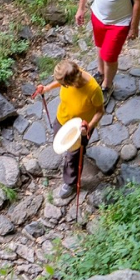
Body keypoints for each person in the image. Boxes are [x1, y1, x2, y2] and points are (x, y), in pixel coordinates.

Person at [33, 58, 105, 201]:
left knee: (73, 157)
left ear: (71, 83)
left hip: (79, 128)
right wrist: (47, 88)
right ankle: (76, 152)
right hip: (62, 119)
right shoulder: (72, 74)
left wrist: (88, 127)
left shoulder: (93, 89)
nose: (62, 86)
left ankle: (70, 182)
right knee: (61, 143)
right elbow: (60, 82)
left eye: (64, 84)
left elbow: (100, 111)